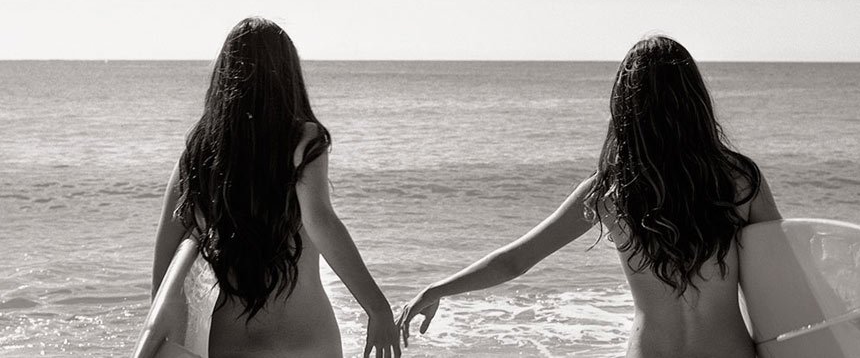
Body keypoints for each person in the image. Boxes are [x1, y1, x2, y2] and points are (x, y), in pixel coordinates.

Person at [398, 35, 781, 357]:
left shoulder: (611, 190)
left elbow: (516, 261)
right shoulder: (739, 181)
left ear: (626, 106)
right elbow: (784, 272)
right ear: (695, 101)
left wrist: (437, 289)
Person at [152, 18, 400, 358]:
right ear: (288, 74)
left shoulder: (199, 154)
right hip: (308, 334)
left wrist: (157, 333)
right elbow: (321, 221)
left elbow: (166, 253)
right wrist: (377, 307)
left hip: (234, 340)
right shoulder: (304, 139)